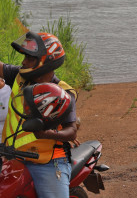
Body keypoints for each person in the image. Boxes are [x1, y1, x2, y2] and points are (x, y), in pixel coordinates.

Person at [0, 31, 78, 198]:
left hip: (48, 162)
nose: (23, 62)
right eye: (24, 57)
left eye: (29, 58)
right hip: (12, 158)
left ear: (46, 61)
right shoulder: (19, 77)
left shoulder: (63, 92)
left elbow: (71, 131)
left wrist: (47, 134)